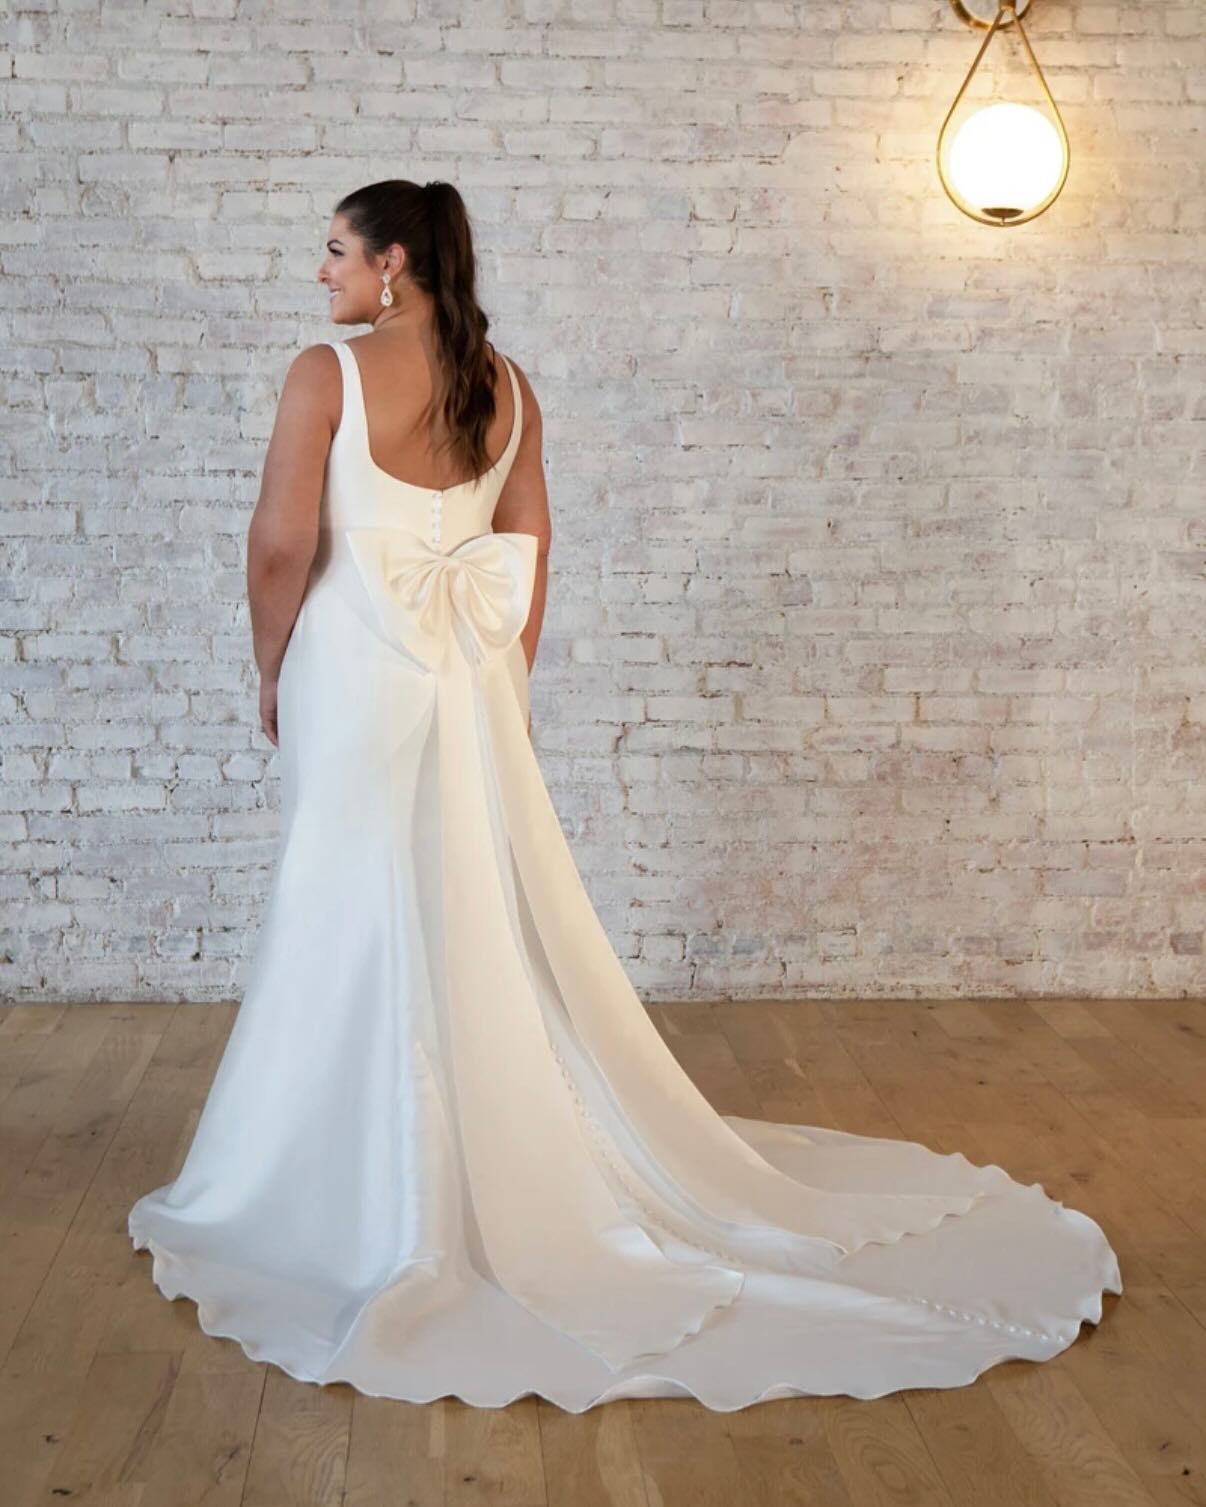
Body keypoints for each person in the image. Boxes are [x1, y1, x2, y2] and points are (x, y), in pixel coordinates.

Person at [127, 178, 1122, 1411]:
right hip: (469, 670)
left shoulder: (324, 373)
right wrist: (505, 682)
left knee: (348, 899)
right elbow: (530, 552)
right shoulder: (510, 386)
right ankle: (467, 1161)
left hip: (357, 666)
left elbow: (282, 545)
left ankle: (343, 1188)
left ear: (392, 265)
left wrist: (270, 663)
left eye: (335, 250)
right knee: (465, 905)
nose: (320, 272)